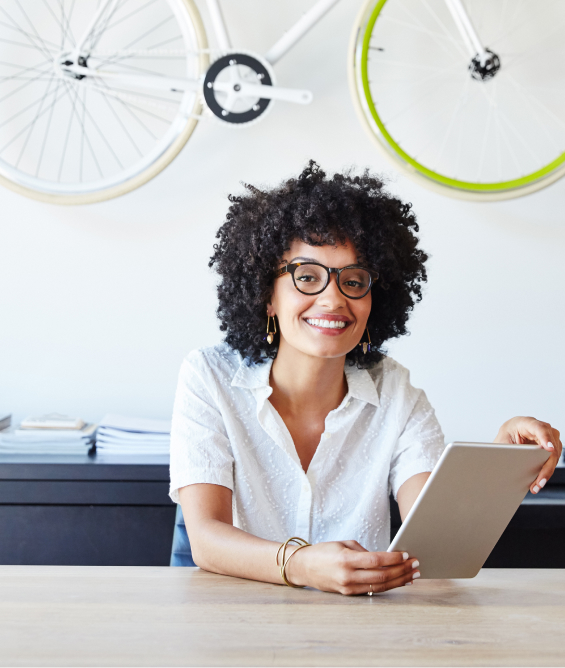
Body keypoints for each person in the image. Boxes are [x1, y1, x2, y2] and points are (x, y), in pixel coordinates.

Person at [169, 161, 561, 595]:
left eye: (354, 280)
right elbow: (205, 541)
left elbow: (435, 539)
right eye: (307, 277)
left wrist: (495, 463)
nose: (334, 299)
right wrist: (301, 564)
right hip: (232, 626)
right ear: (267, 296)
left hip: (361, 633)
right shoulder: (210, 376)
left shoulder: (396, 391)